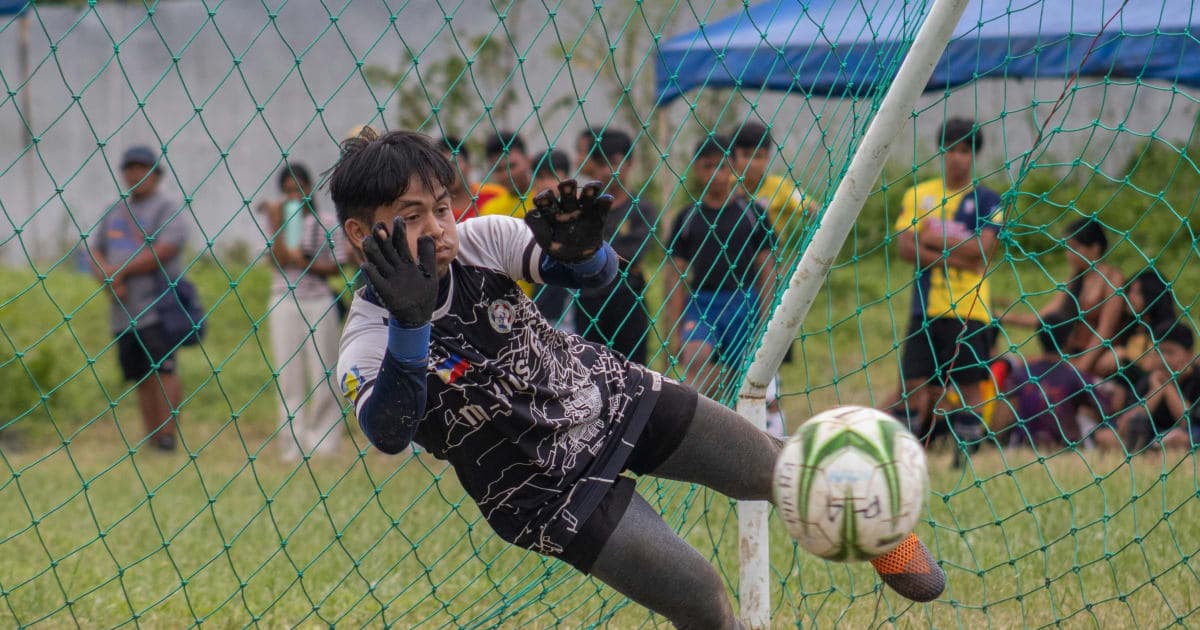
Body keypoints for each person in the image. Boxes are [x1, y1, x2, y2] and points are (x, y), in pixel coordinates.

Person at [330, 130, 944, 628]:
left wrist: (583, 249)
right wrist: (410, 325)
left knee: (781, 468)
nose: (439, 228)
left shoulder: (481, 240)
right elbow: (391, 432)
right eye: (413, 216)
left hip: (610, 396)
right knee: (700, 598)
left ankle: (882, 534)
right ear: (362, 233)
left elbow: (595, 277)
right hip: (544, 488)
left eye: (442, 207)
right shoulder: (365, 339)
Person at [891, 117, 1003, 452]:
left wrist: (930, 237)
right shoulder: (920, 194)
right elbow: (905, 247)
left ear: (974, 155)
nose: (957, 158)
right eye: (951, 150)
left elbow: (982, 250)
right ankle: (905, 453)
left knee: (969, 384)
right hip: (925, 307)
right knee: (913, 383)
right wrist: (957, 256)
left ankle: (965, 457)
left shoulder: (988, 200)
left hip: (969, 307)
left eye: (964, 151)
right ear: (941, 152)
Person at [89, 145, 188, 451]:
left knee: (164, 370)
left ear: (156, 174)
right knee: (140, 376)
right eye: (130, 168)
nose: (135, 174)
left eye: (142, 168)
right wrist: (107, 278)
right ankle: (152, 437)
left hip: (157, 308)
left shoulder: (167, 207)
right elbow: (93, 249)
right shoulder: (114, 211)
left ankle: (168, 437)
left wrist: (118, 272)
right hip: (122, 311)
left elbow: (165, 249)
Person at [664, 136, 776, 396]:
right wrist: (673, 329)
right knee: (695, 356)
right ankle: (696, 412)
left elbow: (767, 269)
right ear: (696, 168)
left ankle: (719, 407)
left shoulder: (753, 213)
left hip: (743, 302)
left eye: (722, 166)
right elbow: (675, 275)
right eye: (708, 166)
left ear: (734, 167)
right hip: (702, 303)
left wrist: (767, 319)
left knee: (741, 379)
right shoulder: (688, 217)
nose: (716, 174)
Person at [259, 162, 349, 460]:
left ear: (310, 188)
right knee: (288, 374)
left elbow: (338, 264)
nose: (294, 195)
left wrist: (305, 261)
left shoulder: (326, 222)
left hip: (319, 302)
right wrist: (277, 225)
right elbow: (277, 260)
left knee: (324, 371)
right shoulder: (282, 222)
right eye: (287, 191)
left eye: (298, 188)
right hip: (283, 300)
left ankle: (324, 442)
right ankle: (292, 444)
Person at [575, 128, 658, 365]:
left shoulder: (641, 209)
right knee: (589, 370)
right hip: (588, 301)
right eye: (601, 164)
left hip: (627, 299)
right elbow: (575, 252)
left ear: (629, 163)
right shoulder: (583, 209)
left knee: (632, 371)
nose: (607, 171)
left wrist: (594, 253)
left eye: (614, 162)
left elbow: (632, 256)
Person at [1002, 218, 1126, 375]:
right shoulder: (1074, 278)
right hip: (1070, 355)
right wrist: (1001, 317)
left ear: (1095, 248)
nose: (1069, 255)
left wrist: (1080, 369)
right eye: (1067, 249)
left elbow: (1105, 331)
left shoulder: (1112, 279)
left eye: (1074, 248)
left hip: (1100, 357)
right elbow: (1043, 317)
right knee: (1016, 366)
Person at [991, 311, 1115, 449]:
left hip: (1025, 445)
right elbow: (1105, 409)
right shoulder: (1074, 376)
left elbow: (999, 421)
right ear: (1070, 339)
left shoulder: (1021, 374)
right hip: (1065, 447)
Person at [1096, 321, 1199, 451]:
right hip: (1153, 433)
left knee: (1182, 438)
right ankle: (1150, 448)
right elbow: (1125, 425)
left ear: (1189, 355)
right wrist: (1156, 391)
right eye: (1159, 352)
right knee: (1103, 435)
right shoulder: (1148, 379)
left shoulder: (1196, 378)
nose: (1163, 359)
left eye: (1170, 352)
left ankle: (1150, 448)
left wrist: (1168, 386)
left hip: (1185, 433)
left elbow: (1187, 421)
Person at [729, 121, 814, 248]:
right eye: (746, 155)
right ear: (732, 156)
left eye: (758, 156)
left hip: (769, 256)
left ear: (767, 158)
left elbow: (812, 210)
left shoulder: (781, 186)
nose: (752, 163)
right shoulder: (725, 184)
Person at [1092, 268, 1177, 396]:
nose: (1130, 297)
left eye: (1137, 293)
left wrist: (1123, 357)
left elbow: (1152, 374)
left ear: (1152, 295)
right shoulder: (1131, 327)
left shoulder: (1168, 332)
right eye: (1130, 291)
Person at [530, 148, 575, 326]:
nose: (545, 183)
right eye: (540, 177)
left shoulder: (575, 214)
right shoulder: (534, 216)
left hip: (568, 300)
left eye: (551, 176)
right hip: (540, 299)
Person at [477, 130, 533, 219]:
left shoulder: (547, 195)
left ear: (528, 160)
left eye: (512, 166)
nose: (507, 175)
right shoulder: (491, 212)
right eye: (499, 169)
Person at [436, 135, 480, 221]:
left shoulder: (493, 195)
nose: (448, 171)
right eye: (442, 166)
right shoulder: (437, 213)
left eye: (454, 163)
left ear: (468, 165)